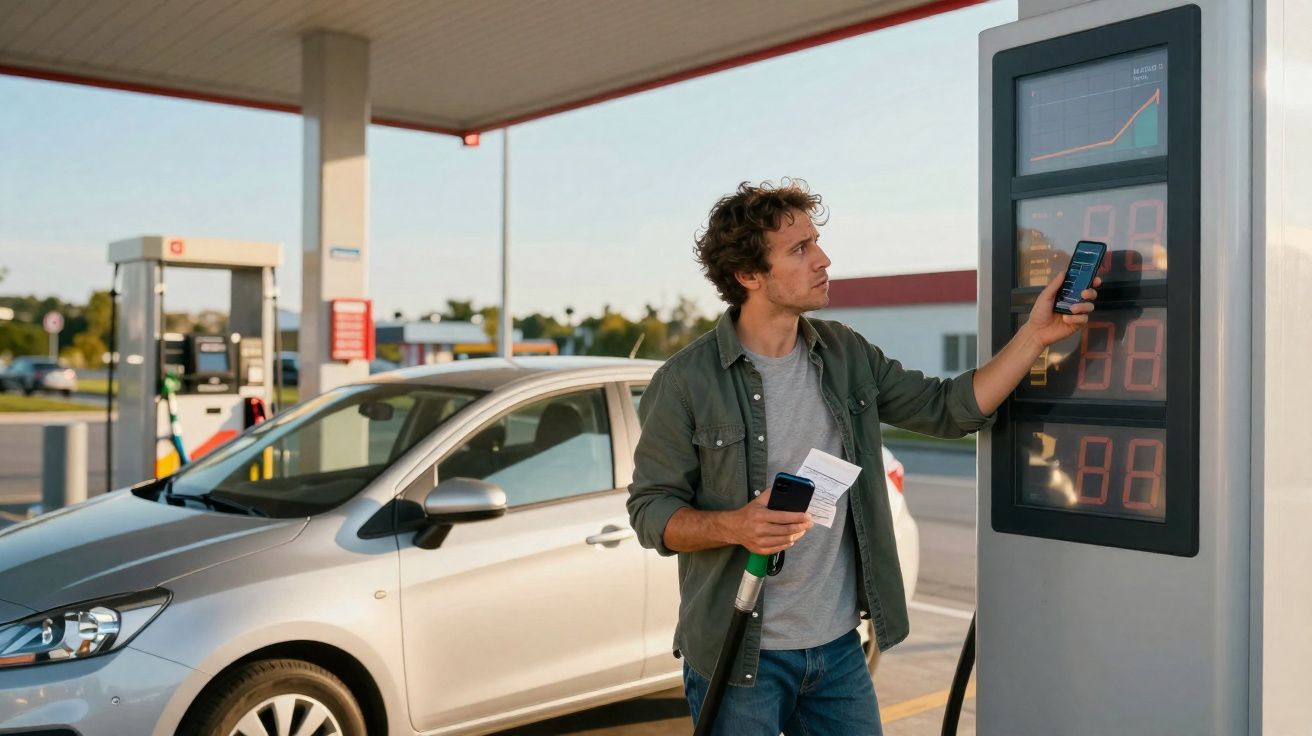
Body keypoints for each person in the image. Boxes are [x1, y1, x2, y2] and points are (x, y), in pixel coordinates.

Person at [626, 179, 1100, 735]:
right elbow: (651, 512)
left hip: (837, 651)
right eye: (799, 249)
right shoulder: (685, 382)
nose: (823, 259)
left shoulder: (846, 351)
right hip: (739, 659)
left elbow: (947, 408)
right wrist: (737, 525)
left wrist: (1036, 337)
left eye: (817, 242)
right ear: (749, 276)